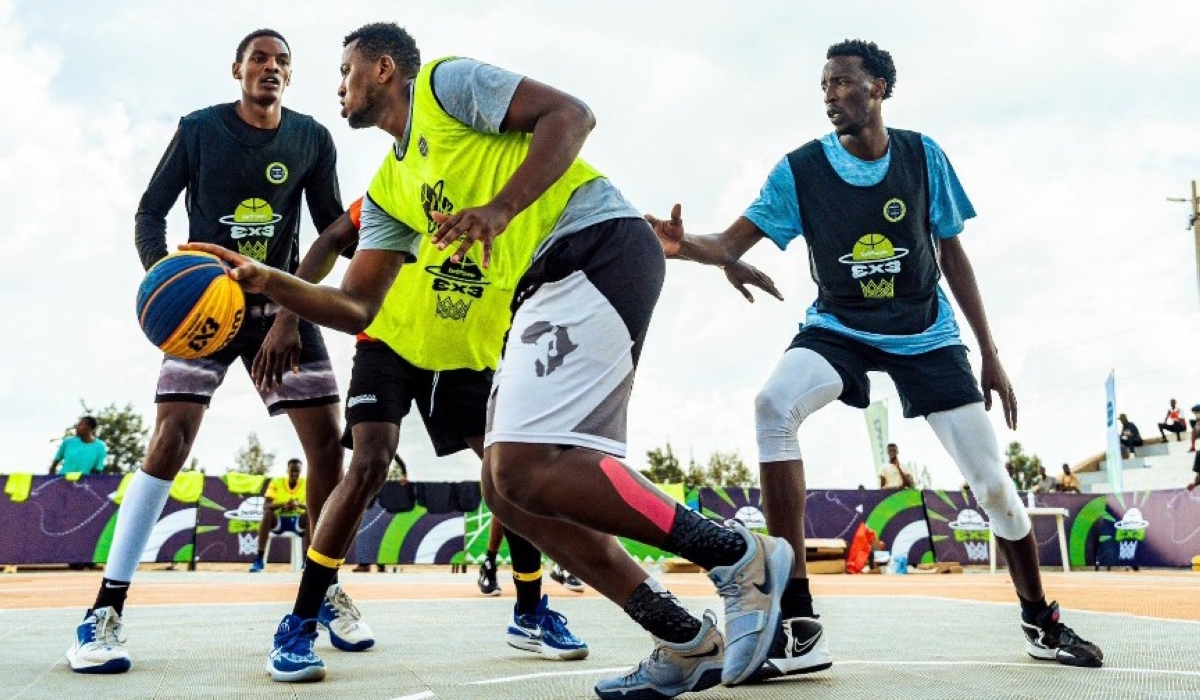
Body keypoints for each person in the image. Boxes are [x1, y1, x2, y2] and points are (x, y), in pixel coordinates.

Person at [188, 22, 794, 696]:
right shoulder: (393, 187)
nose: (337, 86)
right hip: (546, 281)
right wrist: (270, 282)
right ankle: (683, 637)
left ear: (383, 69)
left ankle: (736, 556)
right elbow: (358, 307)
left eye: (344, 71)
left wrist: (502, 208)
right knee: (507, 484)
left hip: (594, 247)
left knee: (527, 468)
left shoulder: (446, 85)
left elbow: (573, 115)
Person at [645, 39, 1103, 673]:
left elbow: (953, 254)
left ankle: (1040, 621)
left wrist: (989, 354)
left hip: (926, 331)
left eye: (843, 83)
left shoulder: (921, 155)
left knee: (996, 487)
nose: (831, 95)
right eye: (825, 86)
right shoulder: (799, 170)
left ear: (879, 88)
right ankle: (800, 622)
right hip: (841, 325)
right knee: (772, 403)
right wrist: (683, 246)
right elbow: (727, 242)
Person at [66, 29, 374, 675]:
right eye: (259, 58)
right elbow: (150, 212)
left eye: (282, 61)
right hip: (207, 305)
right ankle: (104, 611)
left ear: (291, 76)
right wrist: (168, 279)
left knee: (326, 444)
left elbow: (327, 234)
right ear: (237, 68)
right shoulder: (199, 129)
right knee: (169, 440)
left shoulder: (312, 138)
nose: (271, 67)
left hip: (280, 307)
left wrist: (307, 304)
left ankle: (323, 591)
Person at [260, 195, 587, 682]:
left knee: (510, 473)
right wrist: (288, 316)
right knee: (370, 463)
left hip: (467, 356)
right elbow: (332, 237)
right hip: (389, 344)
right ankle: (300, 621)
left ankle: (530, 613)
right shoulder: (409, 177)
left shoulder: (525, 194)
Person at [250, 459, 308, 572]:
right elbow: (266, 506)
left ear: (301, 471)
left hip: (297, 522)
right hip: (279, 522)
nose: (295, 474)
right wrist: (284, 505)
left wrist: (298, 505)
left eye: (297, 471)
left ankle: (307, 561)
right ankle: (259, 558)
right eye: (292, 471)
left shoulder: (306, 483)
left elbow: (313, 506)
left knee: (310, 515)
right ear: (288, 470)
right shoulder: (276, 482)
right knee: (267, 513)